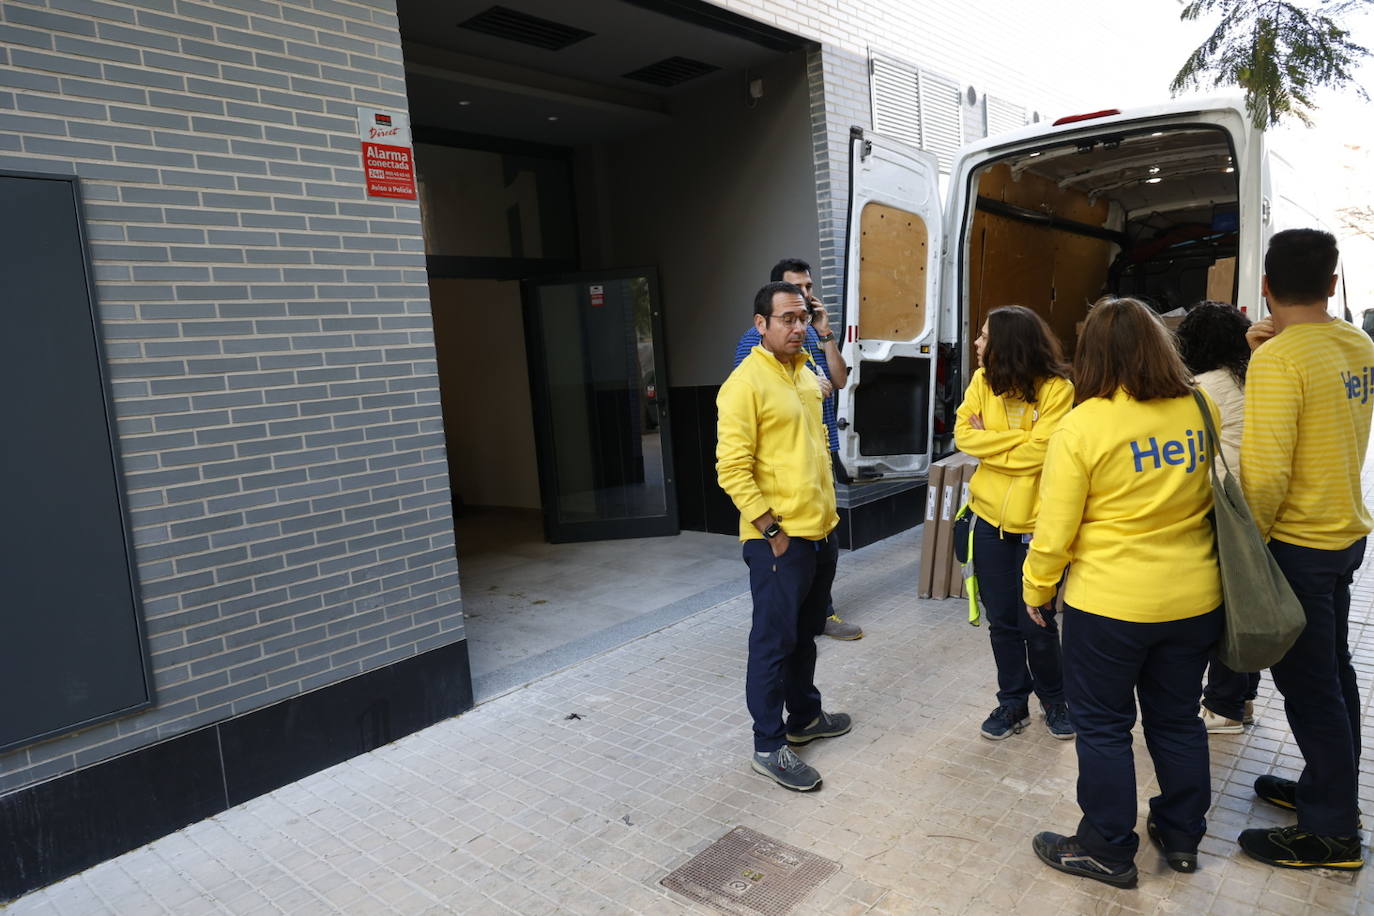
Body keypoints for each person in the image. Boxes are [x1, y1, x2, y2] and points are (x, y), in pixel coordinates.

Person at [1024, 297, 1222, 887]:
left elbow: (1055, 528)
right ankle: (1183, 834)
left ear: (1091, 356)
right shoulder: (1199, 405)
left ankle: (1107, 848)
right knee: (1178, 718)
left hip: (1110, 606)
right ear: (1160, 344)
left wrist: (1037, 589)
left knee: (1106, 726)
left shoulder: (1083, 426)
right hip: (1194, 598)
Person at [1235, 229, 1373, 872]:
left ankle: (1332, 833)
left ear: (1265, 287)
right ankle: (1329, 791)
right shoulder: (1357, 344)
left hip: (1297, 548)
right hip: (1343, 537)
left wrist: (1248, 557)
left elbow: (1265, 477)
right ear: (1335, 282)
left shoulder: (1279, 361)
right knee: (1335, 674)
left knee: (1311, 688)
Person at [717, 281, 852, 792]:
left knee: (804, 637)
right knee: (773, 643)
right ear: (761, 325)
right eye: (787, 320)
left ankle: (804, 720)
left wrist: (827, 522)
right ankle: (768, 745)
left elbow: (829, 402)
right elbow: (731, 469)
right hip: (779, 539)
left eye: (802, 318)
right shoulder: (744, 383)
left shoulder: (803, 374)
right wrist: (769, 528)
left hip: (819, 531)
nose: (798, 328)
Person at [954, 306, 1075, 741]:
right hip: (988, 522)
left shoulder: (1057, 390)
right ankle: (1012, 702)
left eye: (985, 337)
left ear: (1008, 346)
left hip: (1036, 528)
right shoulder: (982, 381)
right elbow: (963, 436)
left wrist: (992, 444)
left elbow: (1047, 452)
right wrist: (1022, 441)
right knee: (1002, 621)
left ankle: (1056, 700)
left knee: (1037, 621)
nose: (977, 343)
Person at [733, 258, 861, 641]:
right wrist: (771, 531)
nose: (806, 295)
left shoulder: (810, 334)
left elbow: (839, 380)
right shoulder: (754, 343)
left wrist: (825, 334)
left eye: (808, 286)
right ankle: (812, 616)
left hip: (820, 444)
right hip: (784, 469)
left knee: (821, 543)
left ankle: (821, 612)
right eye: (797, 288)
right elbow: (751, 393)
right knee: (781, 617)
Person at [1175, 301, 1260, 735]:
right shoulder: (1255, 378)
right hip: (1258, 504)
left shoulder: (1202, 386)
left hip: (1222, 506)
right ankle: (1243, 700)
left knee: (1225, 608)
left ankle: (1223, 705)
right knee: (1246, 601)